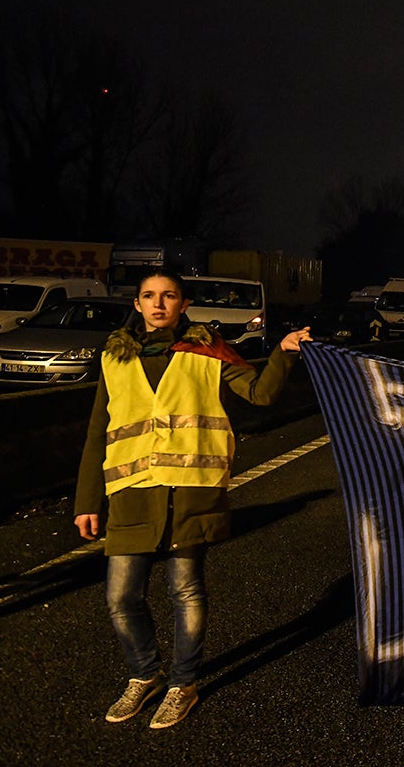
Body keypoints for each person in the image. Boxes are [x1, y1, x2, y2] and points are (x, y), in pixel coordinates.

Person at [73, 269, 312, 729]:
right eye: (149, 296)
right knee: (121, 596)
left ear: (183, 305)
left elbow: (260, 393)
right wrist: (87, 501)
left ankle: (183, 684)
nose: (158, 303)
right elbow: (97, 430)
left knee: (185, 591)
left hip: (190, 491)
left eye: (169, 296)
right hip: (132, 492)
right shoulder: (114, 357)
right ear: (137, 304)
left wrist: (283, 353)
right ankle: (145, 675)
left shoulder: (207, 349)